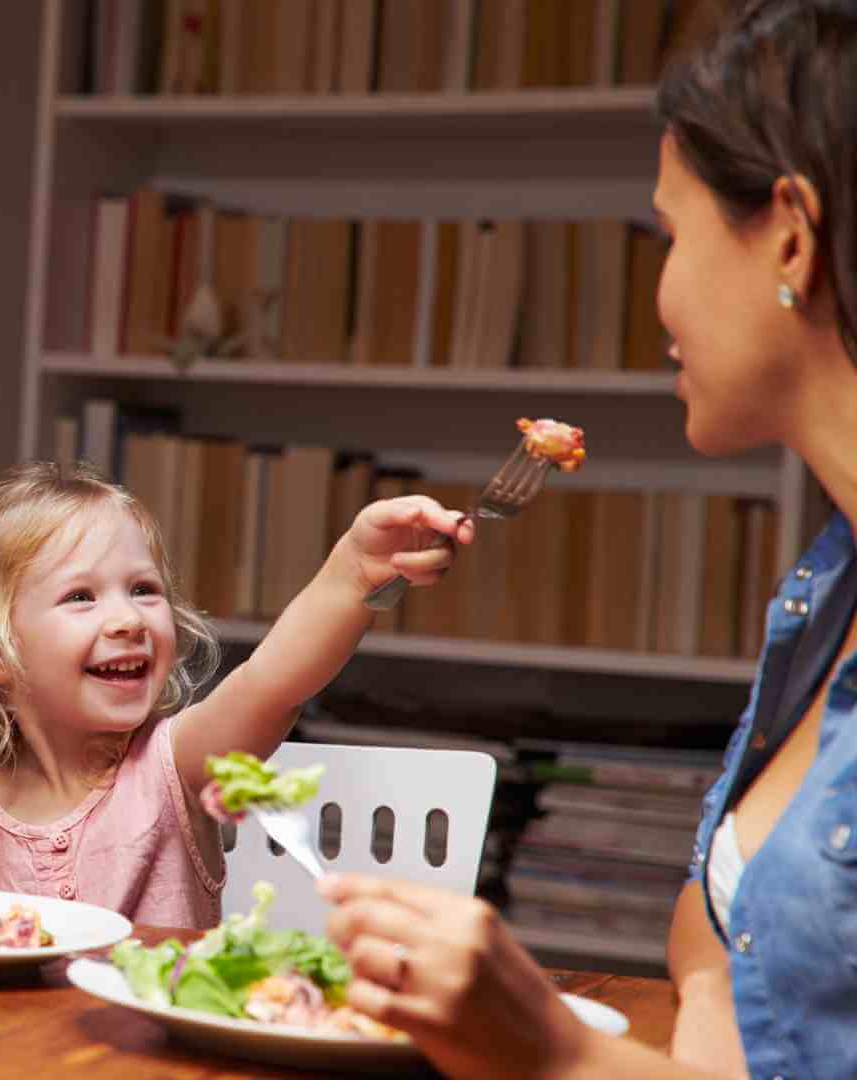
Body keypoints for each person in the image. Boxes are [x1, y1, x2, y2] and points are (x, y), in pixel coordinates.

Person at [322, 2, 857, 1077]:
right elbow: (727, 970)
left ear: (790, 235)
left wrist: (555, 1053)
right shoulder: (825, 594)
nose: (660, 302)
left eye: (671, 234)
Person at [0, 460, 470, 926]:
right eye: (81, 597)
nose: (128, 619)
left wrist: (353, 571)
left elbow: (273, 682)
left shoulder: (175, 766)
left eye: (143, 589)